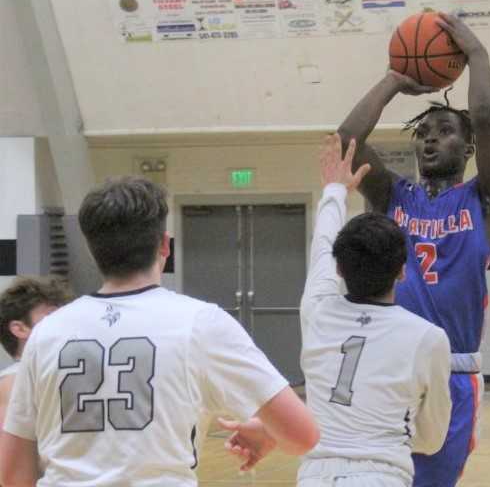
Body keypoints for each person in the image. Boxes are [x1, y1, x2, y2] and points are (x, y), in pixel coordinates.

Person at [0, 176, 319, 486]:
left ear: (92, 249)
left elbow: (14, 476)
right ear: (164, 246)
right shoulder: (200, 322)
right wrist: (268, 432)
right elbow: (303, 436)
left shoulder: (46, 333)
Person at [338, 12, 490, 487]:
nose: (432, 137)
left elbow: (486, 117)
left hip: (452, 373)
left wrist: (476, 53)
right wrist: (393, 80)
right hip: (388, 365)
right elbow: (345, 142)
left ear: (468, 148)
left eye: (445, 130)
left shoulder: (486, 199)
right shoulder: (392, 197)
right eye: (425, 132)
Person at [297, 134, 452, 487]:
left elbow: (322, 246)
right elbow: (432, 440)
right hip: (382, 475)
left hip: (315, 476)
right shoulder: (428, 338)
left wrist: (334, 190)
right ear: (402, 270)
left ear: (339, 270)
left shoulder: (317, 310)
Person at [0, 277, 72, 430]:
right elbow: (8, 451)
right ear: (20, 329)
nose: (65, 324)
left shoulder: (64, 370)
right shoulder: (13, 381)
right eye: (52, 317)